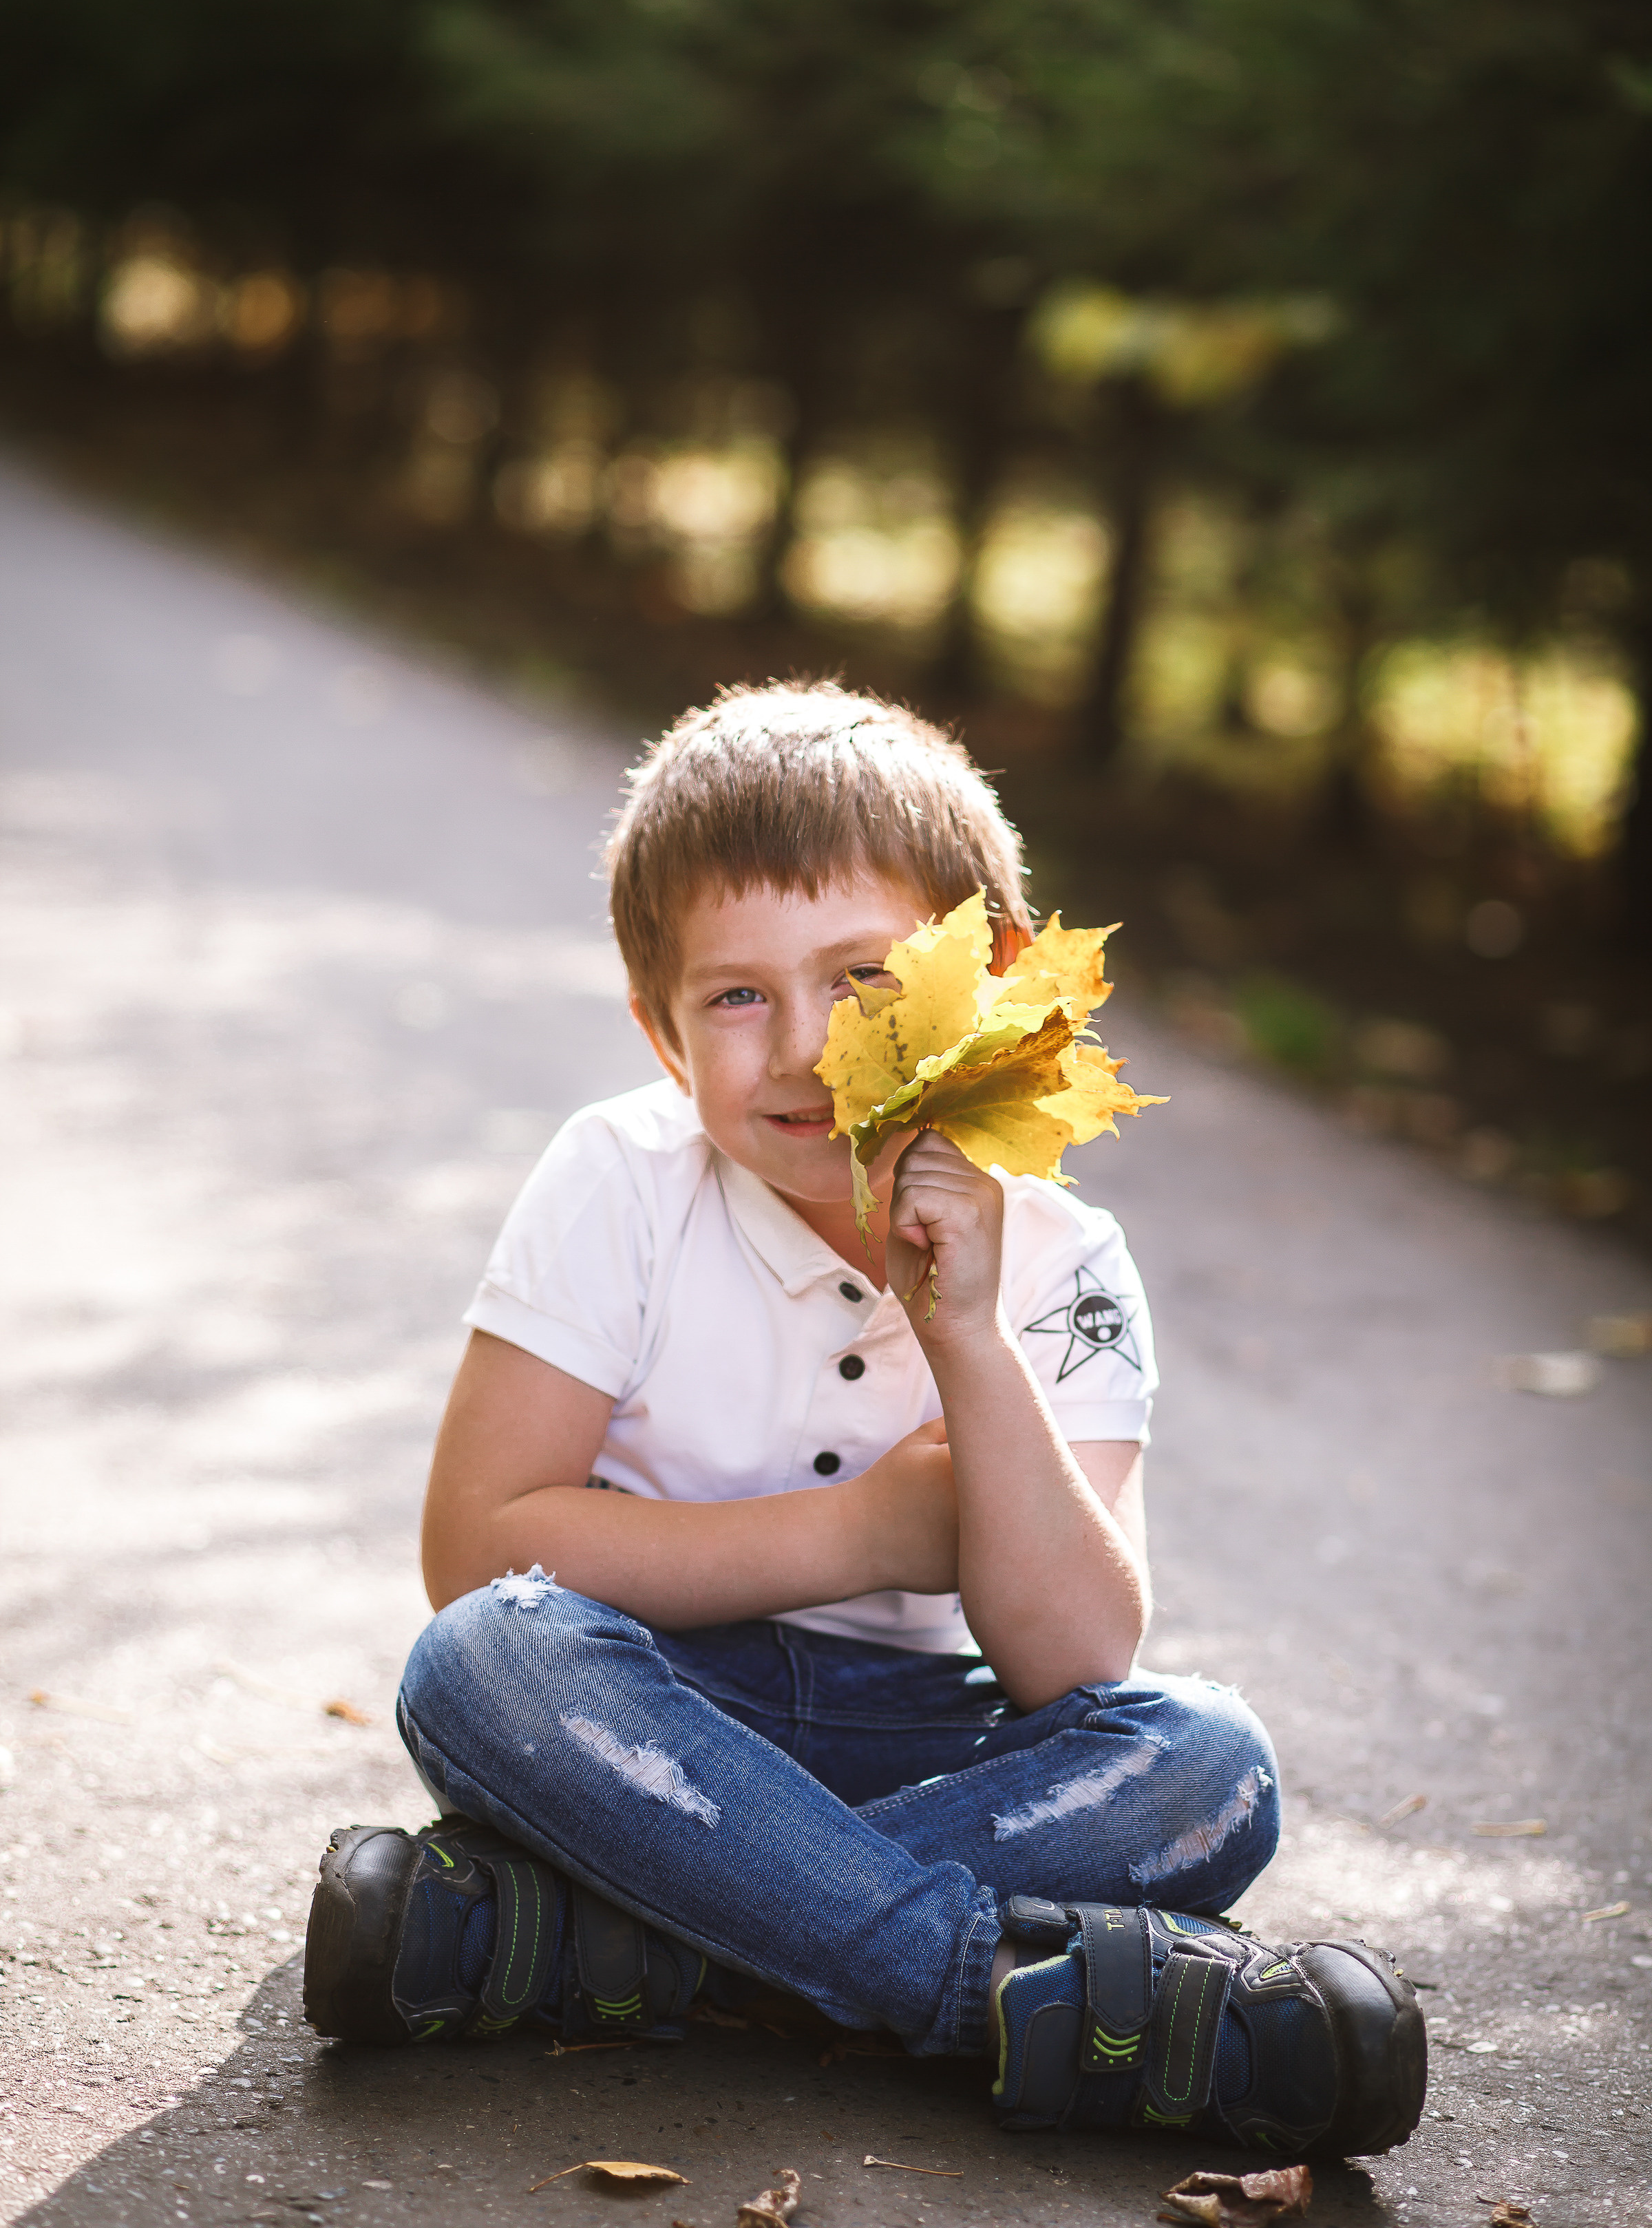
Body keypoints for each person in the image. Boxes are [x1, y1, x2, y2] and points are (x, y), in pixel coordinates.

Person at [302, 683, 1424, 2154]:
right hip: (659, 1724)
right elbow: (480, 1546)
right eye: (736, 996)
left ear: (997, 982)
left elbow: (1078, 1660)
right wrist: (859, 1533)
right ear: (661, 1033)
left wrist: (966, 1329)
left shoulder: (1070, 1262)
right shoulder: (618, 1181)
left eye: (864, 980)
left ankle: (605, 1947)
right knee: (482, 1660)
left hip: (933, 1757)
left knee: (1213, 1765)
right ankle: (997, 1995)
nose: (806, 1048)